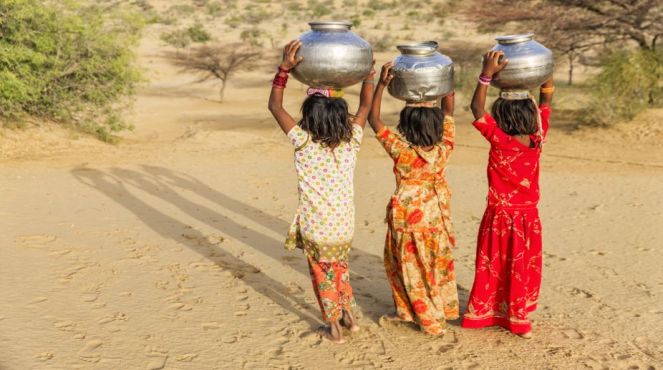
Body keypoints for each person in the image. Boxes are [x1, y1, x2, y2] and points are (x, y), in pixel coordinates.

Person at [267, 40, 375, 344]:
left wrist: (283, 71)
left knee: (323, 276)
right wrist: (368, 75)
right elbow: (365, 107)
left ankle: (334, 329)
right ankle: (351, 319)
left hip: (317, 228)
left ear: (310, 117)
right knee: (341, 271)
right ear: (342, 114)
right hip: (343, 226)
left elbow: (275, 107)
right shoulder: (352, 138)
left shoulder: (303, 141)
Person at [461, 50, 555, 338]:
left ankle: (488, 313)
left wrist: (486, 75)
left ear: (500, 116)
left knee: (495, 265)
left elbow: (477, 109)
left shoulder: (498, 140)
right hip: (528, 219)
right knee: (520, 266)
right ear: (532, 117)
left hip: (499, 217)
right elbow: (547, 101)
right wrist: (544, 71)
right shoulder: (538, 138)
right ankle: (518, 317)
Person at [367, 62, 459, 336]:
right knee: (435, 264)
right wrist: (444, 79)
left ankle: (424, 318)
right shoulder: (445, 148)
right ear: (439, 125)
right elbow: (450, 110)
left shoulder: (401, 150)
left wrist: (382, 84)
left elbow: (374, 120)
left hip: (407, 219)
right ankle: (439, 310)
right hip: (436, 218)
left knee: (410, 269)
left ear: (405, 126)